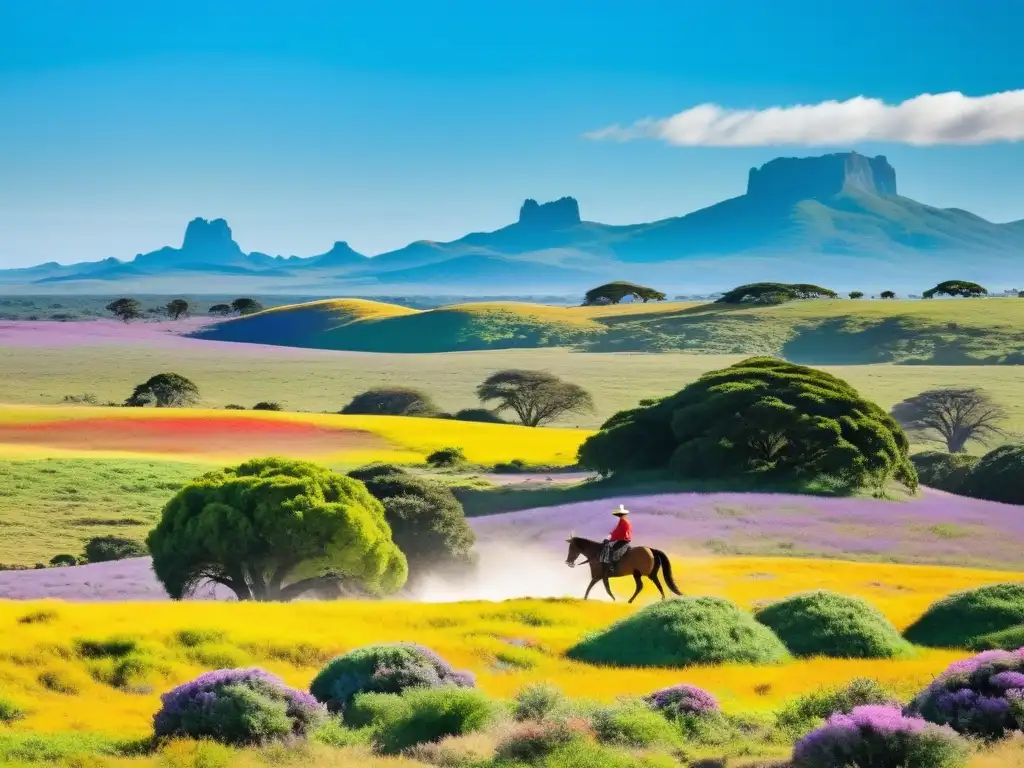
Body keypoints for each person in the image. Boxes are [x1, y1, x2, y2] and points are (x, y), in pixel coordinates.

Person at [600, 504, 632, 575]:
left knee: (611, 550)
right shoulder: (625, 521)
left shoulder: (621, 521)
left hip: (623, 539)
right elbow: (617, 531)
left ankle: (613, 567)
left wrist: (608, 538)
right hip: (625, 539)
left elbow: (616, 532)